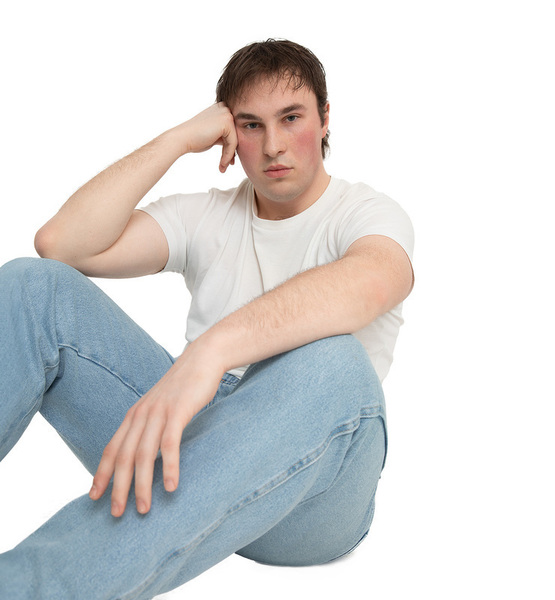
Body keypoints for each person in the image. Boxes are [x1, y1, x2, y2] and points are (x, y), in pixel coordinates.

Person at [0, 39, 414, 599]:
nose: (273, 145)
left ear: (324, 119)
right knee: (35, 287)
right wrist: (176, 140)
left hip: (316, 489)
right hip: (191, 461)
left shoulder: (365, 212)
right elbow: (61, 244)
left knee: (336, 360)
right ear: (228, 134)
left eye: (291, 118)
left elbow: (375, 280)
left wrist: (213, 351)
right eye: (250, 125)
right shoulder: (208, 216)